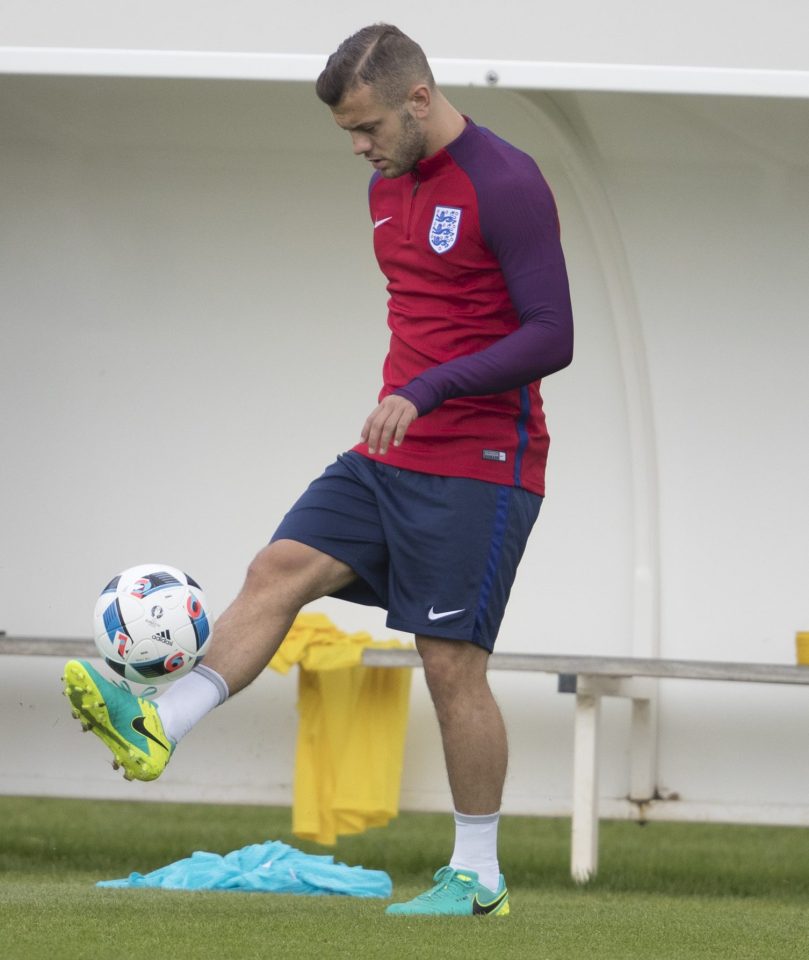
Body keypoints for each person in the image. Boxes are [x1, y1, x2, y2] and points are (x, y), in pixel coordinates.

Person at [63, 23, 573, 918]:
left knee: (449, 662)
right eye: (347, 130)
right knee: (276, 570)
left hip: (483, 464)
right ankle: (158, 725)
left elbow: (551, 334)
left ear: (419, 98)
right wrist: (405, 399)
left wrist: (430, 389)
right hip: (388, 454)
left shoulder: (506, 182)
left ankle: (479, 875)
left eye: (367, 126)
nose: (358, 146)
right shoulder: (384, 188)